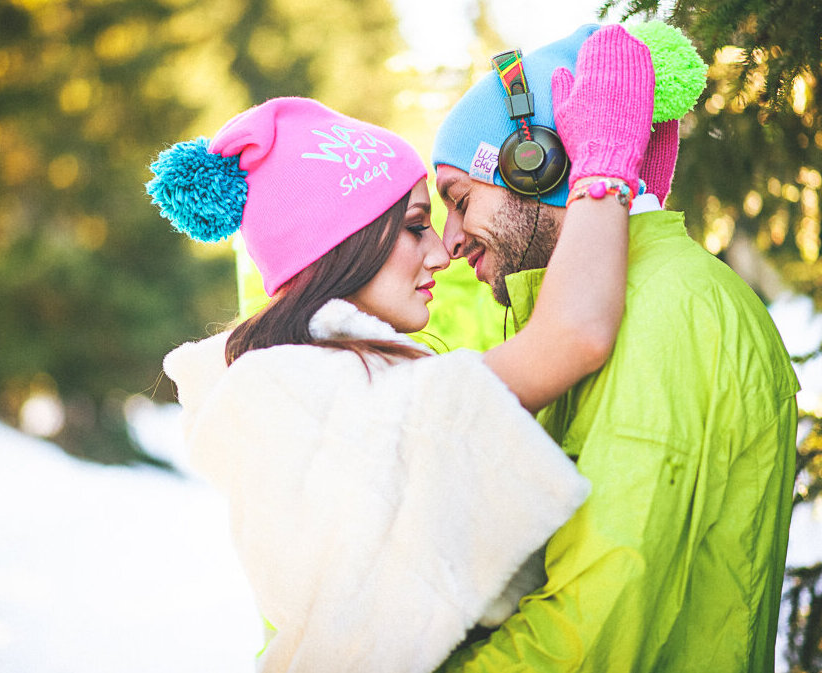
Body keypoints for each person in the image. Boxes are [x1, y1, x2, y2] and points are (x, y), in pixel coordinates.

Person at [146, 30, 647, 670]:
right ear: (343, 247)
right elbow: (573, 336)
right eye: (415, 227)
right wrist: (603, 170)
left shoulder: (300, 381)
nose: (442, 251)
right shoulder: (306, 392)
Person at [431, 23, 801, 673]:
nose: (449, 241)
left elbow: (590, 632)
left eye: (460, 201)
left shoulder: (668, 309)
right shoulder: (603, 309)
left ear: (535, 160)